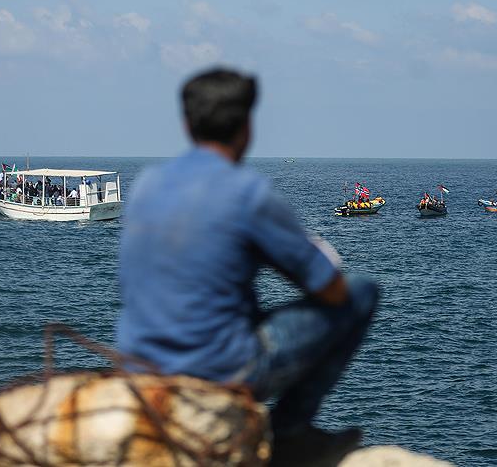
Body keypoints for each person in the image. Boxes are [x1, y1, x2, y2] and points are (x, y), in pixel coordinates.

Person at [116, 67, 378, 465]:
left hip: (140, 362)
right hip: (219, 368)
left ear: (187, 125)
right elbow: (331, 290)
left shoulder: (145, 185)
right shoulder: (247, 194)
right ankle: (289, 433)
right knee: (362, 292)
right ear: (247, 128)